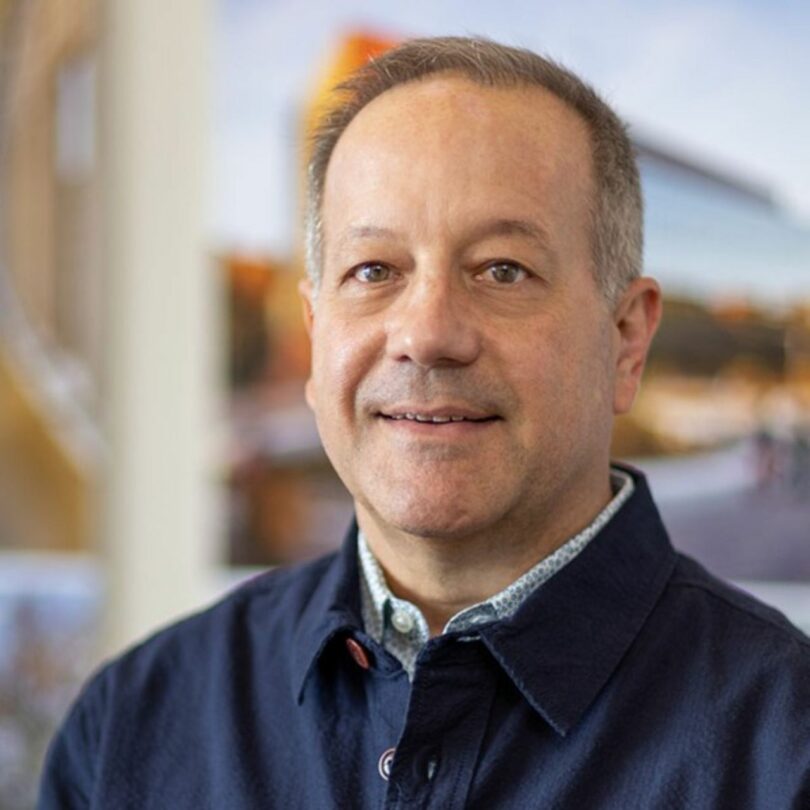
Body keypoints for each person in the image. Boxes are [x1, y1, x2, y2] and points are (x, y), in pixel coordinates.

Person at [39, 37, 810, 809]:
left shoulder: (787, 746)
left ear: (625, 338)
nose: (426, 333)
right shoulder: (131, 727)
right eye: (373, 271)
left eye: (503, 270)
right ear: (316, 335)